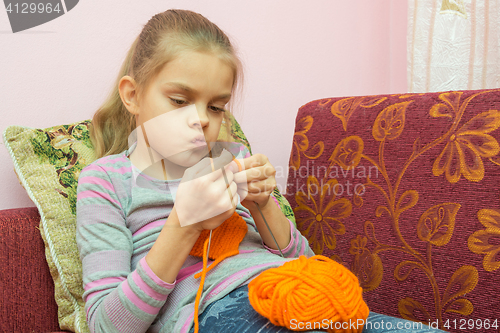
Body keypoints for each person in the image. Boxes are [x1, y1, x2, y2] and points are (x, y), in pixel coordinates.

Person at [76, 9, 446, 333]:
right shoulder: (106, 180)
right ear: (132, 95)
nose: (201, 119)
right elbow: (108, 325)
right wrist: (184, 224)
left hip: (290, 292)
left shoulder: (229, 157)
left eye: (217, 107)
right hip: (212, 308)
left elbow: (303, 264)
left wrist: (262, 204)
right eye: (179, 101)